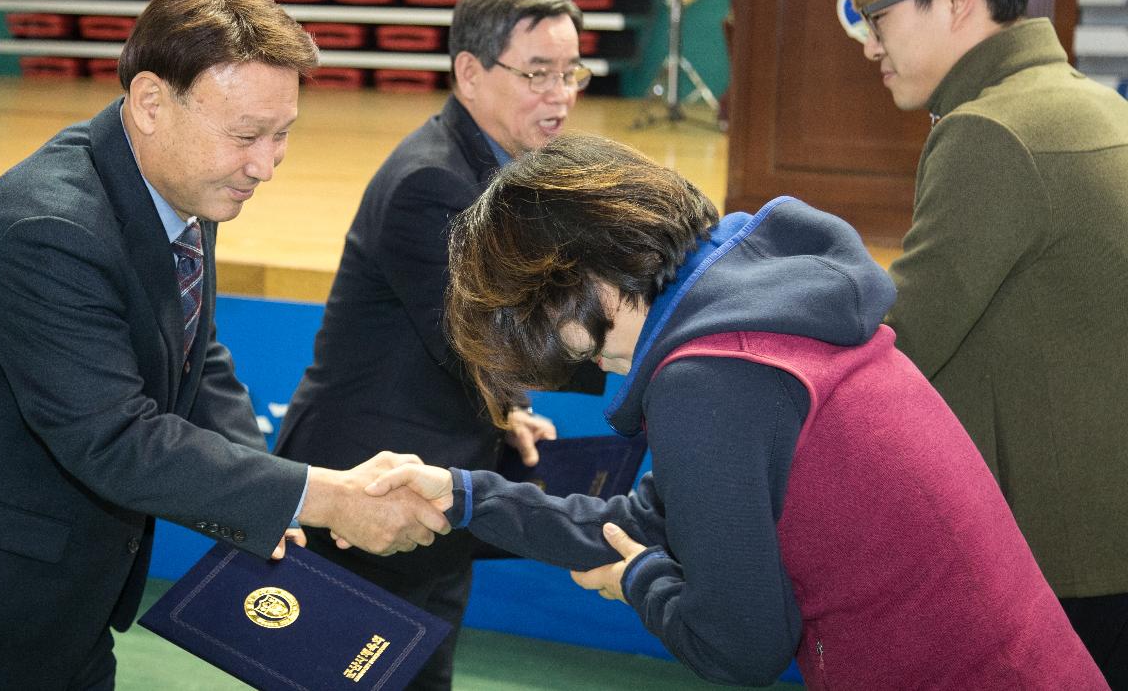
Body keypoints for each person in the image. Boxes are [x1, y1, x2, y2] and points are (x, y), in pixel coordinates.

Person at [0, 0, 449, 691]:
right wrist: (311, 495)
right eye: (246, 134)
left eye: (282, 132)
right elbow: (116, 438)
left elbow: (195, 351)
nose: (265, 164)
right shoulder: (50, 230)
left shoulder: (183, 181)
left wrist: (263, 498)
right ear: (152, 102)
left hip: (66, 614)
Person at [363, 133, 1108, 689]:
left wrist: (639, 582)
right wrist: (466, 497)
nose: (570, 357)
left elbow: (741, 643)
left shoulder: (708, 381)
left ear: (576, 275)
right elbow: (641, 520)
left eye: (537, 317)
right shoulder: (760, 304)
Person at [273, 0, 603, 689]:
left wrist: (506, 405)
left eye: (571, 71)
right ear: (469, 72)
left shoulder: (498, 164)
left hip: (437, 481)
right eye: (538, 73)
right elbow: (489, 334)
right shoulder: (433, 183)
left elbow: (473, 338)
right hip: (366, 490)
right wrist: (634, 353)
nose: (561, 94)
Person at [844, 0, 1128, 686]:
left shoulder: (989, 131)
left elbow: (900, 345)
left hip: (1064, 560)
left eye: (879, 15)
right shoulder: (1091, 102)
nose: (869, 43)